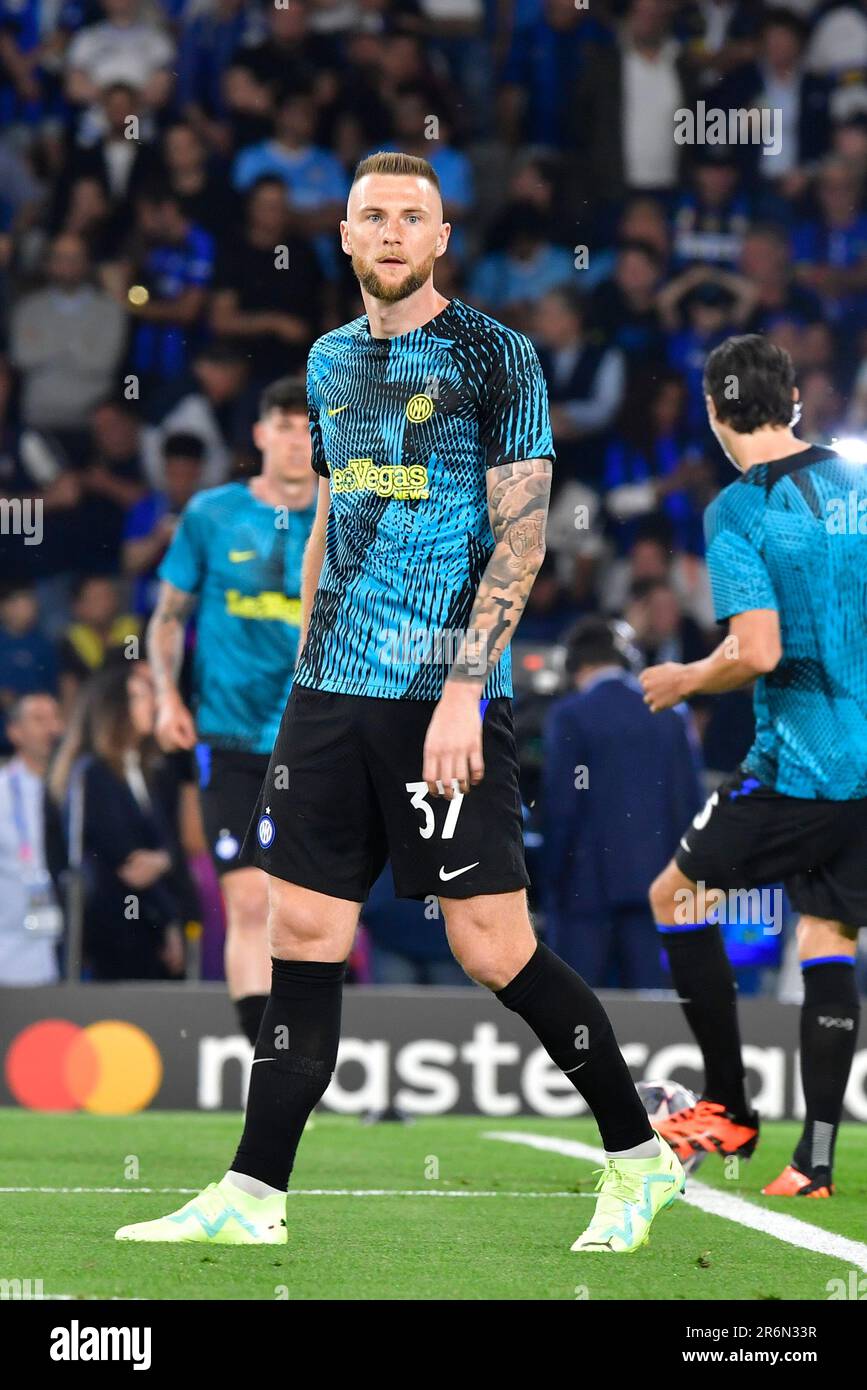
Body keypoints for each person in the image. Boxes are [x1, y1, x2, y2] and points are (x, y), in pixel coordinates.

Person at [116, 150, 684, 1254]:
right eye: (369, 214)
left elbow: (523, 532)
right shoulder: (327, 362)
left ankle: (639, 1154)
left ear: (438, 239)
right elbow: (331, 516)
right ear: (344, 236)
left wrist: (468, 687)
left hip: (443, 691)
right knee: (303, 926)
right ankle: (253, 1194)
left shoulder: (496, 354)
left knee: (491, 946)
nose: (388, 231)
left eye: (409, 216)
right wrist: (303, 673)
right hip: (330, 690)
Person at [641, 334, 867, 1197]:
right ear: (795, 401)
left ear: (712, 411)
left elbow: (759, 649)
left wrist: (689, 677)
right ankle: (812, 1161)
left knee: (676, 897)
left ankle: (728, 1105)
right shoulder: (854, 483)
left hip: (799, 766)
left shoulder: (738, 510)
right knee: (825, 936)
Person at [145, 375, 317, 1048]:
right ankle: (263, 1058)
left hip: (315, 739)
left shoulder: (348, 517)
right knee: (246, 901)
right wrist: (165, 696)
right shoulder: (211, 514)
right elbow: (165, 617)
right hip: (230, 734)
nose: (297, 441)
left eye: (309, 429)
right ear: (259, 435)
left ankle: (306, 1049)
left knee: (305, 911)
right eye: (284, 426)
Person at [541, 617, 702, 988]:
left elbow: (562, 808)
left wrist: (550, 879)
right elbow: (689, 807)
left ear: (574, 665)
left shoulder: (571, 715)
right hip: (656, 887)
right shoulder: (672, 715)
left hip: (584, 892)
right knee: (651, 1018)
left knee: (576, 1011)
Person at [46, 662, 188, 982]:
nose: (151, 704)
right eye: (139, 696)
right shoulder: (92, 774)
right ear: (114, 708)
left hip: (151, 928)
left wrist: (164, 864)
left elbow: (171, 850)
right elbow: (130, 862)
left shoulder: (152, 771)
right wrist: (166, 913)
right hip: (112, 933)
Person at [0, 692, 63, 985]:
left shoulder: (75, 788)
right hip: (10, 938)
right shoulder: (3, 791)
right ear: (15, 732)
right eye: (39, 720)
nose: (52, 729)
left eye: (56, 718)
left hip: (63, 938)